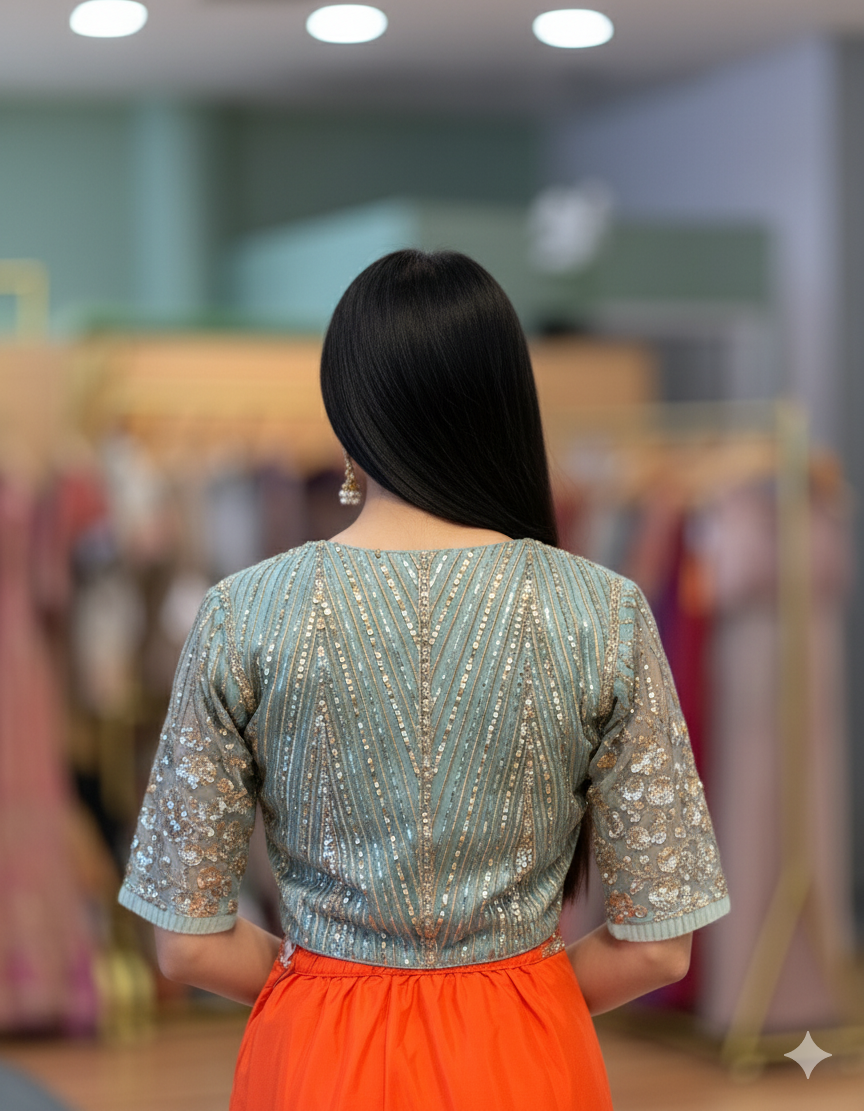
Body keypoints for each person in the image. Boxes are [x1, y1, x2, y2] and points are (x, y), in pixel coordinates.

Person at [119, 250, 729, 1110]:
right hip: (527, 1056)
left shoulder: (242, 614)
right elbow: (660, 947)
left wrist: (330, 994)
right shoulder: (606, 613)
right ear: (507, 402)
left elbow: (183, 943)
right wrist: (512, 999)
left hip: (317, 1058)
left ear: (345, 408)